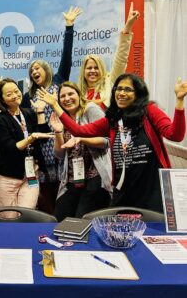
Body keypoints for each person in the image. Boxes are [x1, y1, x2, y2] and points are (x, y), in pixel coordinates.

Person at [37, 74, 187, 212]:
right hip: (124, 185)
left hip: (152, 185)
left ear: (138, 94)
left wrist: (179, 101)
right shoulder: (113, 119)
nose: (121, 93)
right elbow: (78, 131)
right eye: (118, 89)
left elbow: (175, 135)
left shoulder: (149, 111)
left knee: (154, 231)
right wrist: (55, 105)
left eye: (127, 89)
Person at [21, 5, 82, 214]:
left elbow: (67, 56)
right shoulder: (28, 96)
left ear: (46, 69)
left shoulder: (58, 81)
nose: (34, 71)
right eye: (31, 70)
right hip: (43, 151)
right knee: (47, 198)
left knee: (68, 191)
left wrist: (69, 26)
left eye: (37, 68)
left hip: (64, 142)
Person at [49, 82, 112, 221]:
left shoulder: (90, 109)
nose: (67, 98)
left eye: (70, 94)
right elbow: (59, 154)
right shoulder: (61, 117)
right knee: (60, 219)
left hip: (94, 177)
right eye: (62, 96)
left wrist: (81, 139)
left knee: (81, 221)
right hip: (72, 180)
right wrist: (58, 132)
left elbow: (106, 142)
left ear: (79, 95)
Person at [0, 78, 54, 211]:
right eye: (9, 94)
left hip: (30, 175)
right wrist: (30, 138)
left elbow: (44, 137)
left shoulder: (28, 113)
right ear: (2, 99)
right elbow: (10, 149)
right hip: (8, 178)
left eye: (16, 91)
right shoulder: (0, 120)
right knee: (8, 217)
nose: (15, 96)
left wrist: (40, 111)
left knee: (27, 214)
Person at [78, 2, 140, 109]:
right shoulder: (78, 93)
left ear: (101, 69)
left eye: (96, 67)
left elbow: (121, 58)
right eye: (89, 68)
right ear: (83, 71)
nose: (93, 70)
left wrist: (127, 28)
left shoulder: (110, 82)